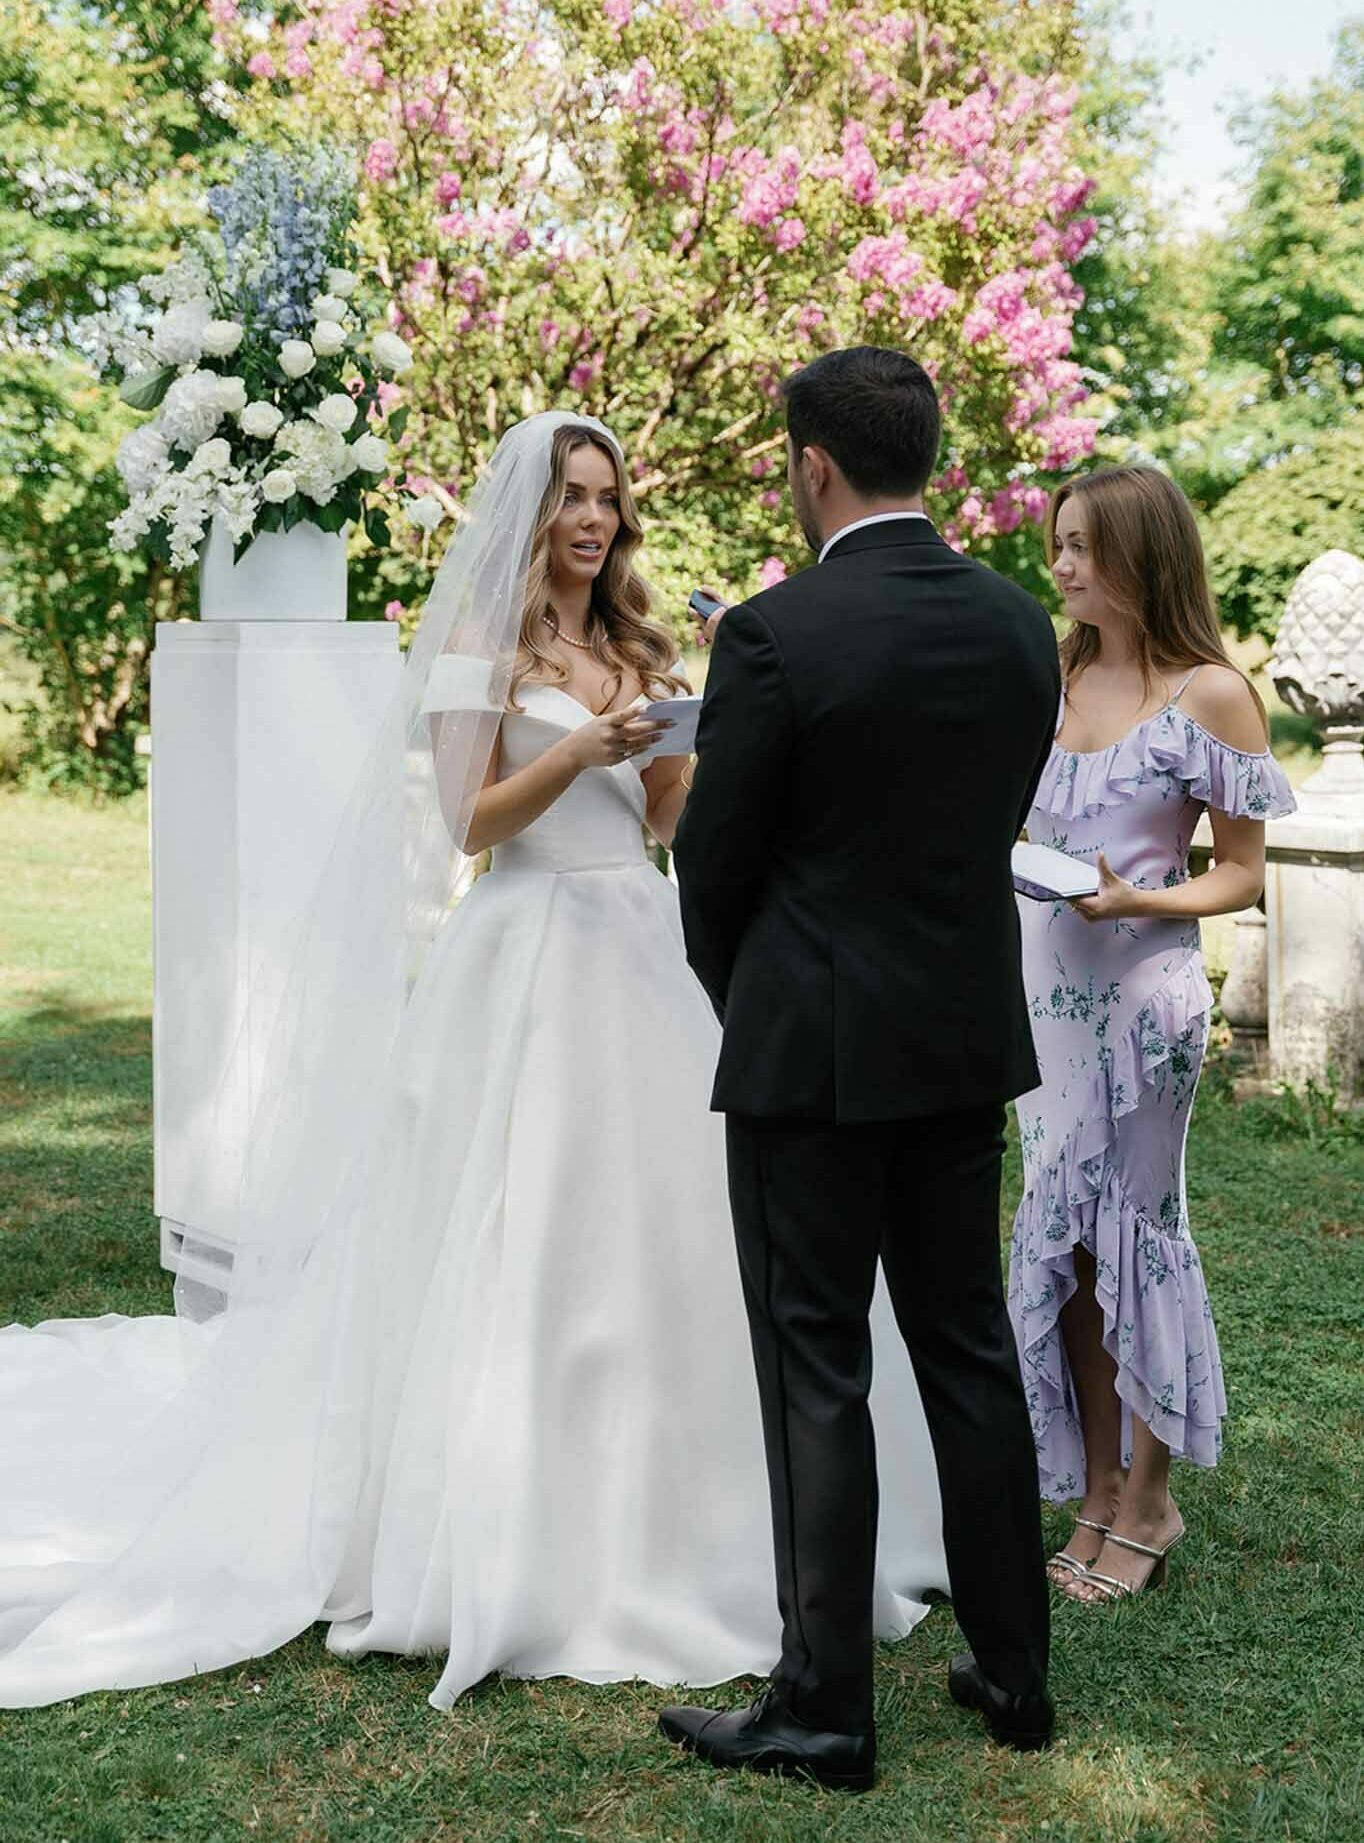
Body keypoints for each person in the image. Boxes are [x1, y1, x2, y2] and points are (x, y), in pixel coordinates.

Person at [0, 411, 946, 1710]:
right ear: (531, 510)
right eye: (571, 494)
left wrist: (680, 744)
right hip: (530, 945)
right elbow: (464, 823)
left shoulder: (632, 639)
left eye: (608, 495)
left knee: (676, 1235)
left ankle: (702, 1513)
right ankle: (513, 1518)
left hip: (641, 939)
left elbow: (663, 821)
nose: (593, 517)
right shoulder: (476, 643)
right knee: (525, 1227)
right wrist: (575, 745)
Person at [660, 346, 1061, 1793]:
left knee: (815, 1362)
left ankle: (826, 1705)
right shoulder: (1024, 628)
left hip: (812, 1057)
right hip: (961, 1041)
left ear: (812, 465)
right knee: (967, 1342)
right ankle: (1016, 1665)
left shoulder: (772, 632)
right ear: (928, 458)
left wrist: (745, 991)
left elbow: (713, 861)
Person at [1008, 465, 1295, 1606]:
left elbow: (1236, 875)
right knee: (1062, 1242)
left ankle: (1149, 1499)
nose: (1062, 565)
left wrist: (1134, 900)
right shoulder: (1053, 674)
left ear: (1142, 554)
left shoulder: (1210, 693)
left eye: (1082, 546)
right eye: (1058, 542)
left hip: (1144, 1001)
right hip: (1039, 991)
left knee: (1134, 1233)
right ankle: (1090, 1488)